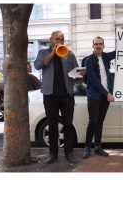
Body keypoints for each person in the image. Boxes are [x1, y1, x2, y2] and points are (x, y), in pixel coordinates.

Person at [34, 30, 85, 164]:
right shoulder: (43, 53)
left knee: (68, 124)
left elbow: (76, 72)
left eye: (61, 40)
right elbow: (38, 65)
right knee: (52, 125)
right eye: (57, 39)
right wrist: (52, 53)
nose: (59, 42)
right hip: (50, 95)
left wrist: (81, 72)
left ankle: (69, 153)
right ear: (51, 39)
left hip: (67, 95)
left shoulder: (69, 53)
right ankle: (53, 153)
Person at [82, 36, 116, 159]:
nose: (98, 46)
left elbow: (119, 51)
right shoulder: (89, 60)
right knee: (93, 122)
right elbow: (94, 80)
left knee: (100, 122)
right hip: (94, 96)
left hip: (105, 96)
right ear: (93, 46)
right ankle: (87, 148)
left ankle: (97, 147)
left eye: (101, 44)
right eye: (96, 44)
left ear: (104, 46)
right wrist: (107, 94)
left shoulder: (106, 57)